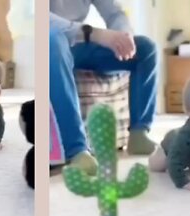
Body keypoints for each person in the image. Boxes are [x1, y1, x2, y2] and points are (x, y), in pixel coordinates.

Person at [50, 0, 158, 175]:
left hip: (80, 44)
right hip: (53, 41)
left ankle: (139, 133)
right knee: (53, 40)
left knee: (146, 48)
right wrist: (94, 33)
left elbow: (115, 13)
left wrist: (123, 36)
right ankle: (77, 151)